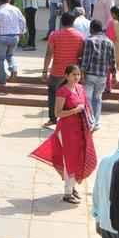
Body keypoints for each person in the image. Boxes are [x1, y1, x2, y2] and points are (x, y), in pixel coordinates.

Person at [31, 64, 96, 203]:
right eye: (74, 75)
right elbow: (58, 113)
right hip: (67, 130)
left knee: (78, 158)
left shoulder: (80, 88)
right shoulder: (62, 91)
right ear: (66, 76)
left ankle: (72, 187)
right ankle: (67, 193)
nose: (77, 77)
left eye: (78, 75)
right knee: (69, 160)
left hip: (80, 129)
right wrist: (75, 110)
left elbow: (86, 106)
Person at [42, 9, 85, 125]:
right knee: (70, 97)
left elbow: (49, 54)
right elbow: (80, 56)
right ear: (73, 22)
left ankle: (52, 118)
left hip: (56, 72)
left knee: (53, 95)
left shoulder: (54, 35)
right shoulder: (80, 36)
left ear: (61, 21)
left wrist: (45, 71)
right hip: (72, 73)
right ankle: (69, 120)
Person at [81, 20, 116, 130]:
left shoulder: (89, 40)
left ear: (91, 29)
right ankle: (95, 123)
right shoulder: (109, 42)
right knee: (97, 99)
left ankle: (89, 121)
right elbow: (112, 61)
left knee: (88, 99)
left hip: (90, 74)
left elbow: (85, 59)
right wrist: (114, 75)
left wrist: (82, 74)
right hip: (102, 76)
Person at [0, 0, 26, 84]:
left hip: (2, 37)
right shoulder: (16, 9)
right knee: (10, 55)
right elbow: (23, 21)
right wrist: (21, 31)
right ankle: (14, 68)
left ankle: (2, 78)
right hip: (14, 36)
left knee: (0, 58)